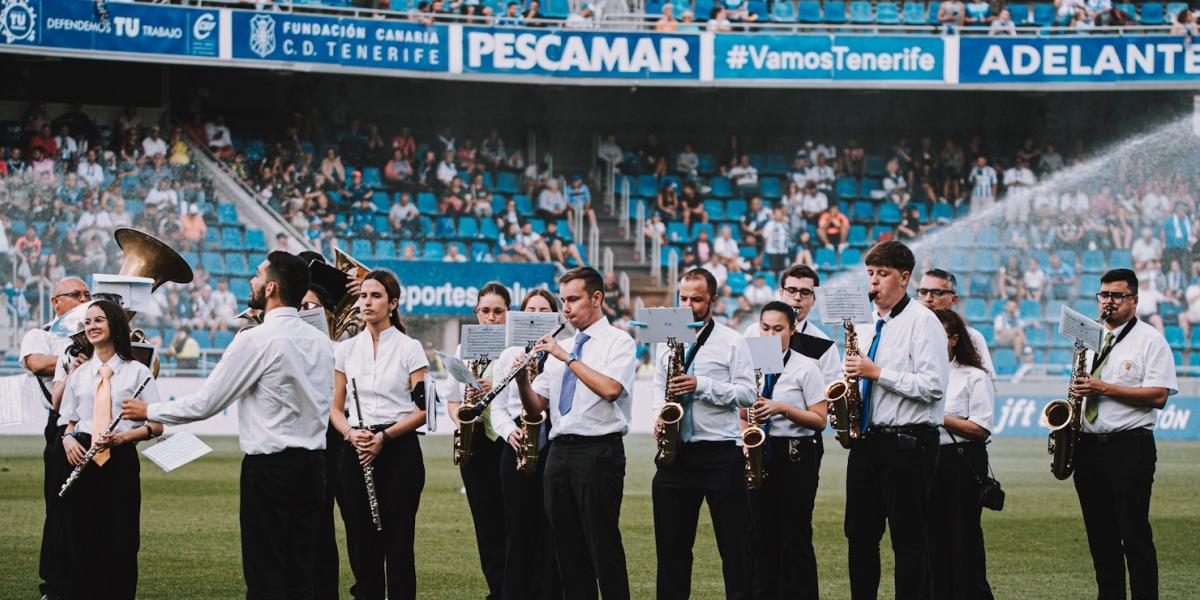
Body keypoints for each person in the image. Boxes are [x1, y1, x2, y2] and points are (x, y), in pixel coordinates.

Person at [121, 252, 335, 600]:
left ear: (270, 288)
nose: (250, 281)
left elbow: (206, 402)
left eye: (256, 275)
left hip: (270, 469)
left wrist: (149, 409)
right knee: (302, 571)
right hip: (313, 467)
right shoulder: (323, 343)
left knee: (265, 571)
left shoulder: (255, 339)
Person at [515, 267, 638, 600]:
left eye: (573, 300)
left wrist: (566, 357)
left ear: (596, 298)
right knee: (566, 552)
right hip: (559, 455)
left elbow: (611, 389)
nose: (565, 308)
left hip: (598, 452)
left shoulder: (619, 342)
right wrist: (522, 379)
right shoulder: (562, 347)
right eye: (563, 300)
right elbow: (535, 409)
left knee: (603, 548)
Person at [842, 240, 949, 600]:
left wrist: (877, 372)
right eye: (870, 274)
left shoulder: (924, 322)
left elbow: (933, 387)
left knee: (908, 540)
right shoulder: (867, 322)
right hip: (868, 440)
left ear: (904, 278)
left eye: (882, 274)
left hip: (910, 444)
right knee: (859, 536)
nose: (873, 282)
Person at [1071, 269, 1177, 600]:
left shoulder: (1150, 340)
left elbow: (1159, 396)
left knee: (1134, 535)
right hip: (1088, 446)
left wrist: (1104, 388)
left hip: (1129, 447)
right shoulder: (1088, 340)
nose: (1109, 302)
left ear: (1134, 300)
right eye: (1104, 295)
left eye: (1117, 296)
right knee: (1100, 537)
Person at [649, 268, 755, 599]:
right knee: (671, 553)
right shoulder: (666, 339)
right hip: (676, 454)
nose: (689, 305)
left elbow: (747, 394)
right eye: (683, 298)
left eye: (697, 299)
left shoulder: (732, 341)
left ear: (713, 300)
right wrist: (658, 416)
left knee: (736, 551)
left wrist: (701, 385)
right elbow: (658, 386)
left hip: (721, 454)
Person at [330, 270, 428, 600]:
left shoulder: (410, 348)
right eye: (363, 296)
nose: (367, 302)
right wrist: (350, 434)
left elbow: (423, 410)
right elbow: (335, 409)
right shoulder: (345, 350)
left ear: (393, 303)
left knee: (399, 542)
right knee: (362, 541)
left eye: (376, 296)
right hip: (355, 449)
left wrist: (383, 438)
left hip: (398, 450)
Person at [57, 300, 162, 600]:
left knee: (121, 541)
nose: (90, 326)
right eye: (87, 322)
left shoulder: (138, 373)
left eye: (98, 320)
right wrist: (67, 440)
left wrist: (124, 438)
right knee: (82, 540)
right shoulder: (78, 375)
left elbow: (157, 426)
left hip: (120, 461)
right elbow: (69, 422)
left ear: (115, 326)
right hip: (82, 459)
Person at [747, 301, 829, 600]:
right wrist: (747, 427)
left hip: (795, 454)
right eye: (765, 328)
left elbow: (820, 420)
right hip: (760, 451)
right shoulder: (751, 363)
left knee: (795, 534)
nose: (770, 335)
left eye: (778, 329)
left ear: (793, 330)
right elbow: (741, 411)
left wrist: (782, 408)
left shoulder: (805, 367)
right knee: (760, 533)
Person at [487, 289, 564, 600]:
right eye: (530, 309)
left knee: (551, 529)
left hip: (553, 450)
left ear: (554, 318)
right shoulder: (509, 354)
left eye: (543, 310)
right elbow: (497, 407)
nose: (535, 315)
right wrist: (509, 433)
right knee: (518, 529)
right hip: (517, 447)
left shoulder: (562, 353)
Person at [22, 277, 90, 600]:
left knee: (95, 508)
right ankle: (55, 584)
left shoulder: (95, 332)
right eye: (77, 295)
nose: (84, 298)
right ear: (56, 302)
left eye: (88, 294)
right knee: (60, 507)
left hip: (95, 420)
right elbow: (35, 362)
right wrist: (69, 360)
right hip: (60, 419)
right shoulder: (42, 335)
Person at [443, 282, 511, 598]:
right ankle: (496, 589)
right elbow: (453, 400)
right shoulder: (463, 348)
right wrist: (462, 421)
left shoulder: (516, 349)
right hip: (476, 442)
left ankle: (514, 588)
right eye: (485, 311)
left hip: (506, 440)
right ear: (477, 313)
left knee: (512, 520)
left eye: (498, 311)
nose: (491, 317)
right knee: (485, 523)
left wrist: (493, 386)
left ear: (508, 315)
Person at [929, 308, 995, 600]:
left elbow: (981, 429)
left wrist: (937, 415)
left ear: (954, 339)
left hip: (961, 459)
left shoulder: (974, 377)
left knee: (964, 535)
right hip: (928, 458)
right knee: (933, 536)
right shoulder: (922, 373)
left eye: (938, 337)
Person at [742, 265, 842, 385]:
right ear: (781, 293)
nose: (797, 297)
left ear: (814, 299)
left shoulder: (824, 346)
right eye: (791, 290)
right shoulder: (754, 332)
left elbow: (830, 393)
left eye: (805, 292)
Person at [917, 268, 995, 377]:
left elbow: (986, 381)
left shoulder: (972, 337)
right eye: (923, 292)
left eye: (937, 293)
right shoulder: (907, 332)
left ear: (953, 299)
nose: (928, 298)